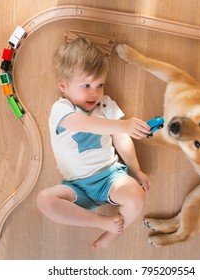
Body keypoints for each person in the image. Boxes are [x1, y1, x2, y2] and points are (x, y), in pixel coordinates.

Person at [36, 37, 152, 248]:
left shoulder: (106, 105)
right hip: (77, 186)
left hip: (110, 177)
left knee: (136, 197)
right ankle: (102, 223)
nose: (94, 93)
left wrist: (137, 170)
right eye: (86, 85)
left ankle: (112, 234)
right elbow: (83, 124)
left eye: (100, 85)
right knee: (44, 200)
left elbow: (121, 139)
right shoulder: (62, 109)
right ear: (63, 85)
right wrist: (124, 125)